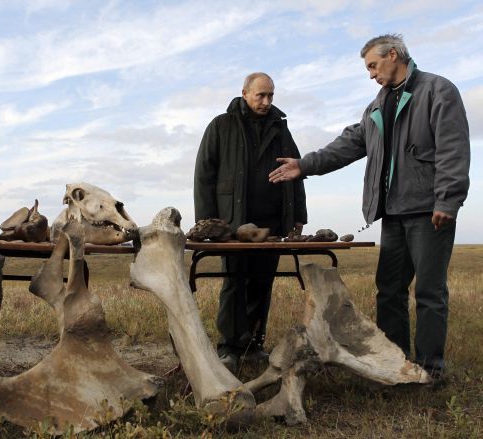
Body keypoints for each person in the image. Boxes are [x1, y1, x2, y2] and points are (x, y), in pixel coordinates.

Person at [269, 34, 470, 379]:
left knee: (428, 292)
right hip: (391, 212)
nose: (371, 74)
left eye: (373, 66)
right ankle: (395, 363)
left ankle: (430, 370)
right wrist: (305, 165)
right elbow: (349, 144)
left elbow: (453, 148)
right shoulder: (377, 104)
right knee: (389, 291)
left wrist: (448, 199)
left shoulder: (438, 91)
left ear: (393, 55)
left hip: (428, 211)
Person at [194, 72, 307, 370]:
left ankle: (253, 345)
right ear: (244, 93)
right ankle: (228, 346)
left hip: (271, 222)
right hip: (233, 223)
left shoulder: (281, 130)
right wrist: (207, 223)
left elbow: (297, 173)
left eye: (271, 96)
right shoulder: (222, 125)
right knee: (234, 281)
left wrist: (298, 216)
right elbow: (204, 175)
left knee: (262, 282)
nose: (267, 101)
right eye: (261, 95)